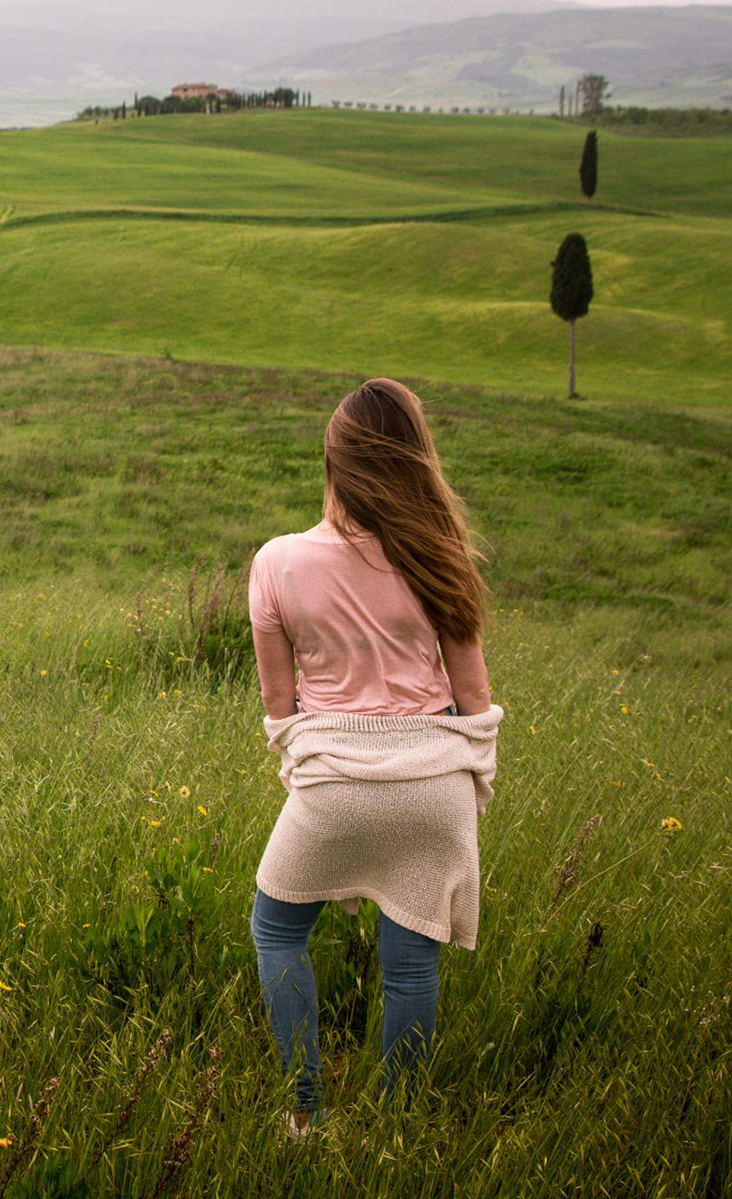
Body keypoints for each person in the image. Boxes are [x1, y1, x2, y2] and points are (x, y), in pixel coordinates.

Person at [245, 377, 504, 1142]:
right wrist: (461, 783)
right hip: (434, 787)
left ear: (333, 465)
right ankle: (397, 1133)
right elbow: (474, 696)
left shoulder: (277, 562)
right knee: (411, 966)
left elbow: (280, 708)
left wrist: (316, 771)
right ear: (415, 464)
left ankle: (304, 1114)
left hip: (334, 786)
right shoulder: (440, 557)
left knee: (277, 932)